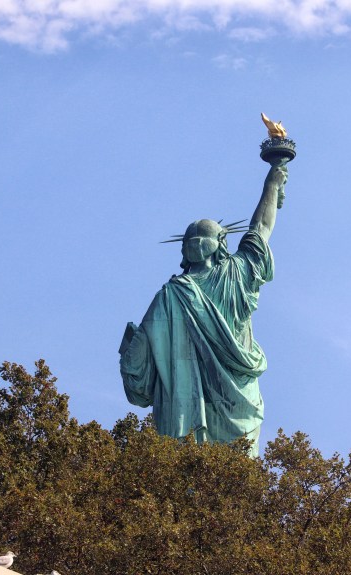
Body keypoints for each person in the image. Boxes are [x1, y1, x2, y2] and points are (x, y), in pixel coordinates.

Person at [119, 158, 289, 457]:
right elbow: (261, 227)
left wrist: (130, 346)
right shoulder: (237, 275)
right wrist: (271, 185)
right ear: (221, 245)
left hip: (182, 416)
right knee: (237, 484)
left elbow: (140, 374)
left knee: (184, 488)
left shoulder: (169, 296)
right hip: (239, 403)